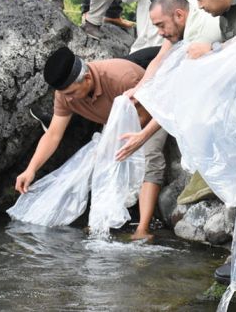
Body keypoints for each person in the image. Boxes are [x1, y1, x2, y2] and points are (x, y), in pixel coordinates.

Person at [15, 47, 171, 240]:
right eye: (65, 94)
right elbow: (53, 134)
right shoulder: (64, 94)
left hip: (154, 111)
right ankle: (102, 222)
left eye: (72, 93)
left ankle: (143, 229)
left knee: (149, 158)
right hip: (115, 121)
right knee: (100, 163)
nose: (69, 99)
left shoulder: (120, 77)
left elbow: (145, 114)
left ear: (87, 78)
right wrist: (31, 170)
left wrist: (116, 142)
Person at [116, 0, 222, 239]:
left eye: (161, 25)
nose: (160, 32)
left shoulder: (199, 34)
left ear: (179, 14)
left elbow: (177, 99)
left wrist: (142, 136)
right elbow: (160, 58)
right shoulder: (180, 26)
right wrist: (140, 90)